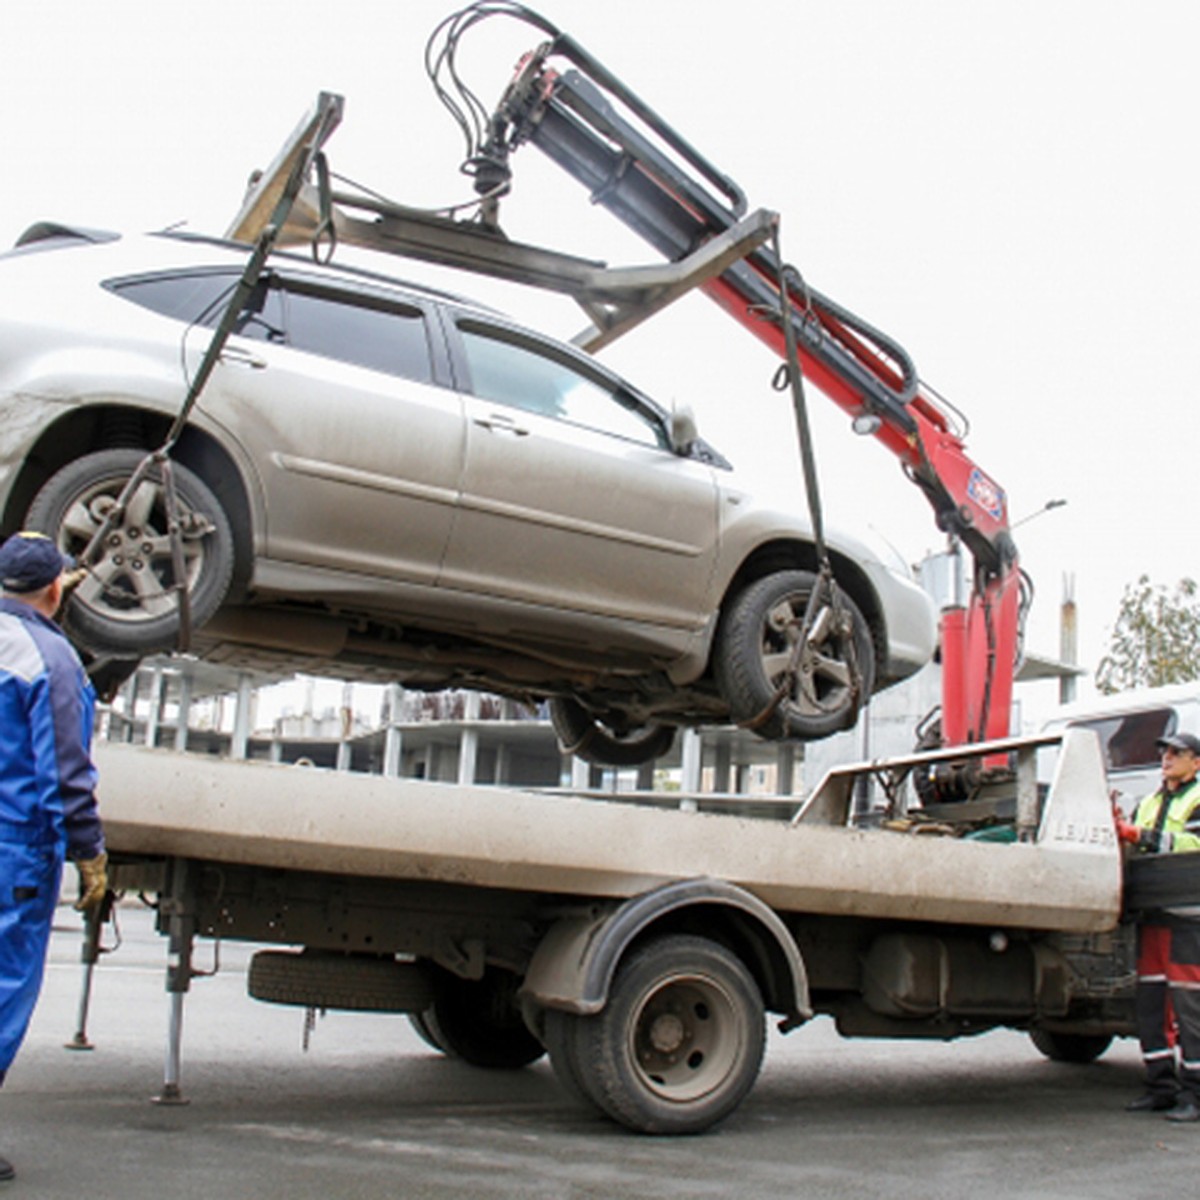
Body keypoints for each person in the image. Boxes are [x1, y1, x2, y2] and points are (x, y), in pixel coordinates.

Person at [0, 532, 108, 1182]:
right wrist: (90, 852)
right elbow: (65, 773)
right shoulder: (50, 659)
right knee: (4, 989)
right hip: (14, 850)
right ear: (54, 589)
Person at [1114, 731, 1200, 1122]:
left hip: (1187, 916)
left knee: (1189, 1008)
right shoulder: (1149, 801)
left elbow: (1190, 845)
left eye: (1177, 753)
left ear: (1196, 762)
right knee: (1151, 1005)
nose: (1167, 758)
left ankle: (1194, 1096)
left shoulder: (1198, 799)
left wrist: (1139, 835)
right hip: (1152, 915)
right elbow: (1134, 846)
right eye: (1164, 751)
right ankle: (1160, 1086)